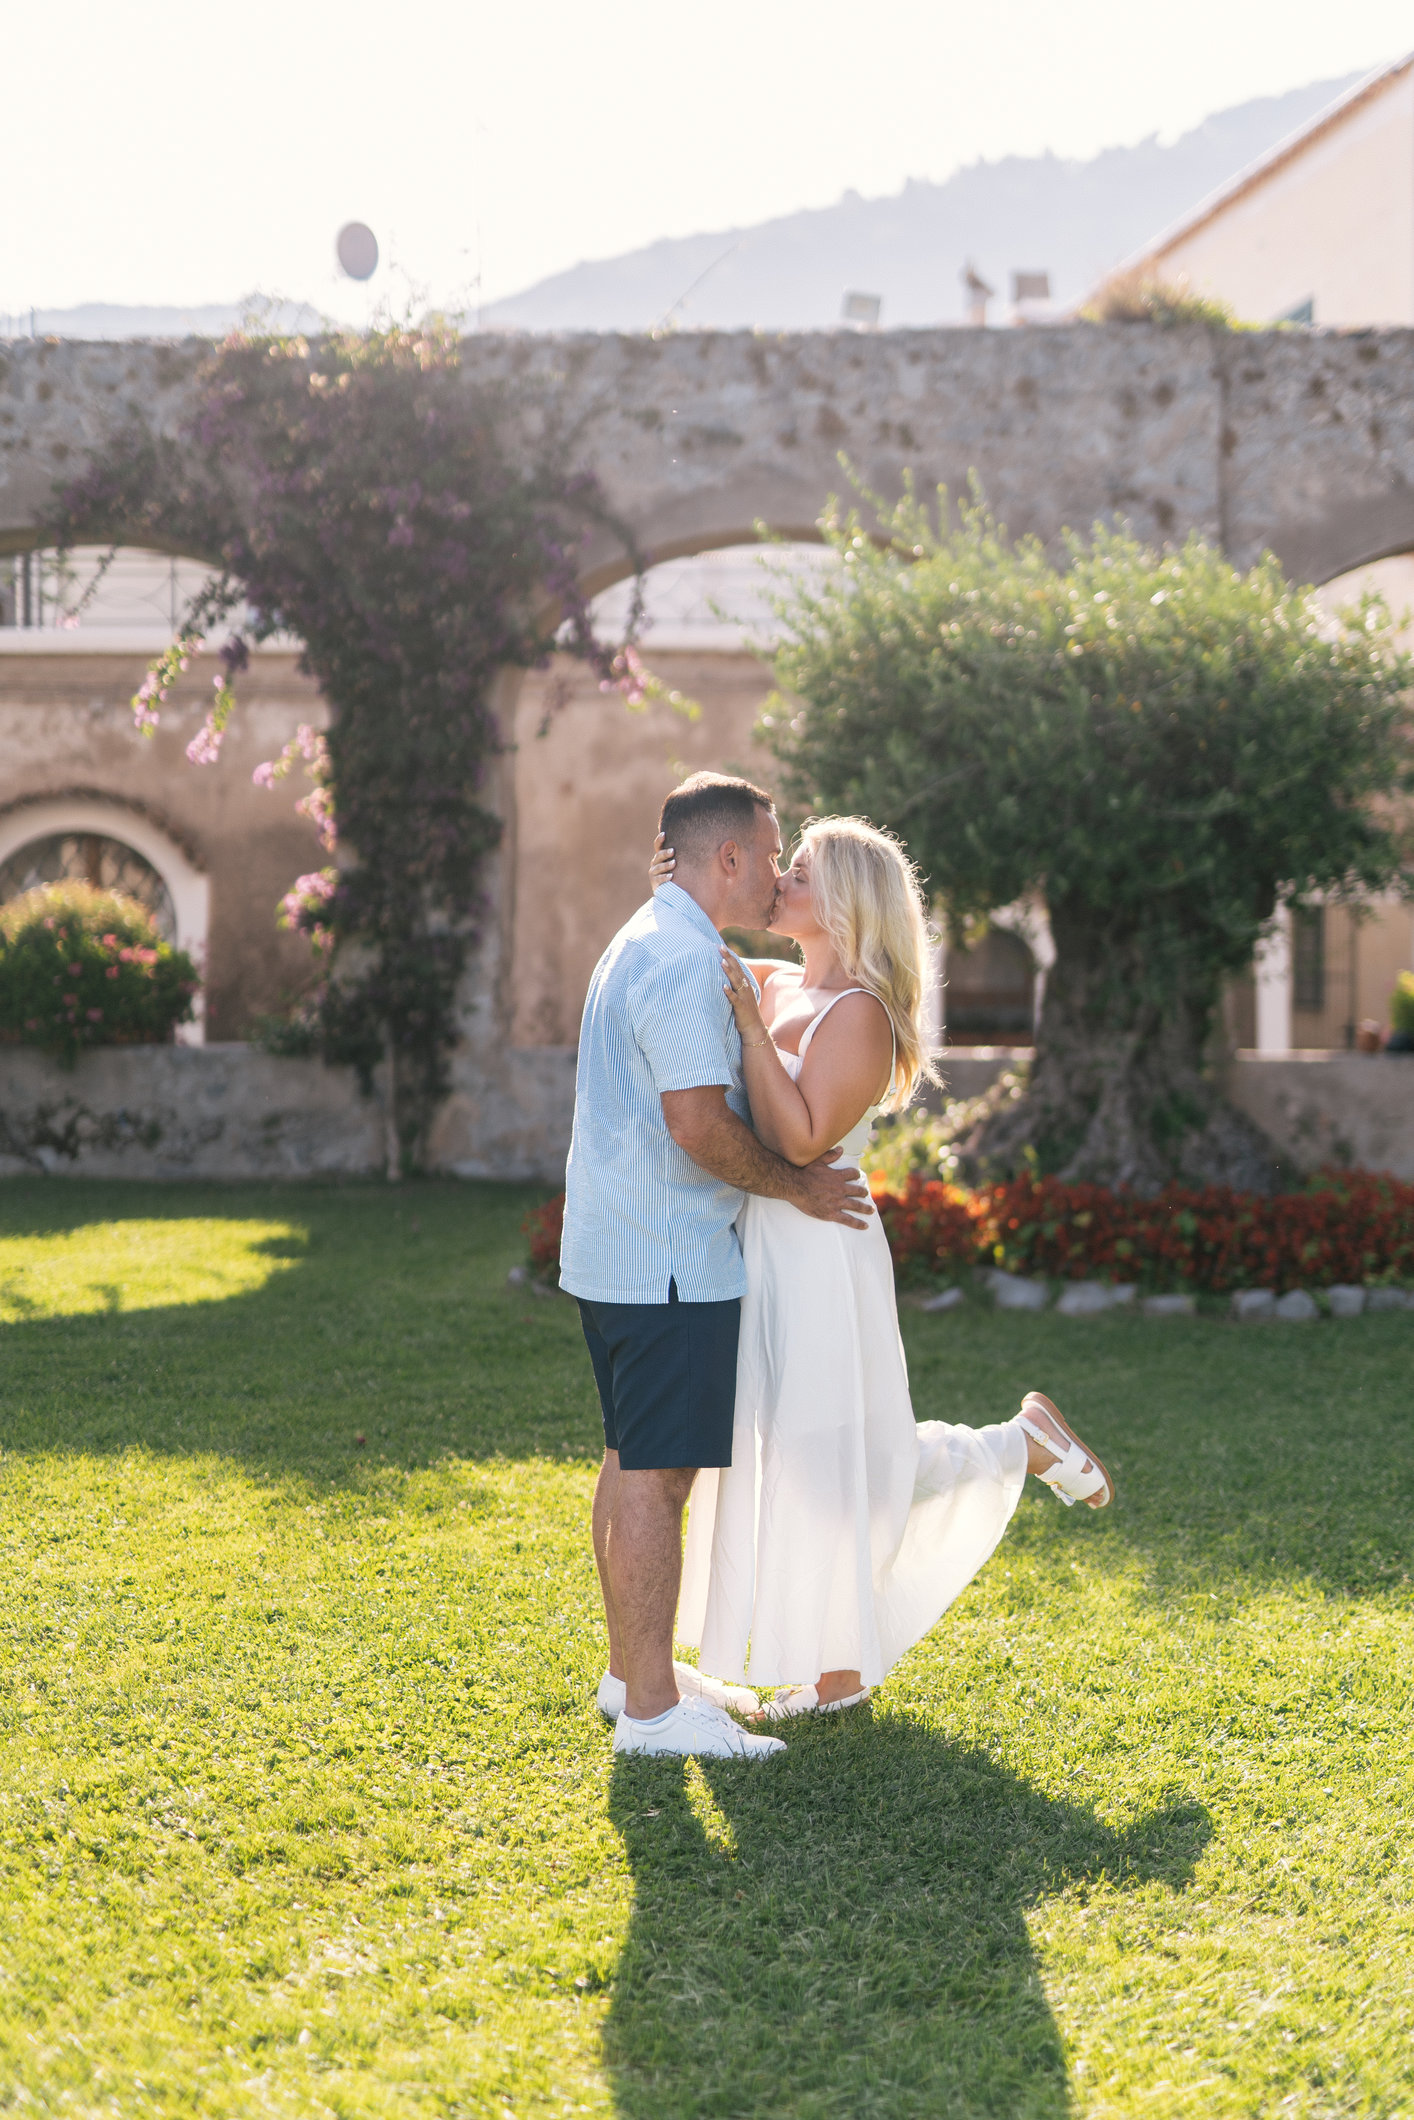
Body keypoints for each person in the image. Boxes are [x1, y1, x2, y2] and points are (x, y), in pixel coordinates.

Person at [647, 814, 1112, 1719]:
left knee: (834, 1450)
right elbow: (684, 936)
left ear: (849, 904)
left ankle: (845, 1667)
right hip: (761, 1240)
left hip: (820, 1246)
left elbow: (800, 1136)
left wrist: (746, 1024)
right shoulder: (775, 979)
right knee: (804, 1447)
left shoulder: (857, 1014)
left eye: (804, 872)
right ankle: (842, 1664)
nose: (780, 880)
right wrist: (668, 876)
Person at [559, 772, 874, 1761]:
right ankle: (654, 1713)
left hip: (616, 1253)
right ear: (729, 859)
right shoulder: (685, 961)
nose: (778, 872)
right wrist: (796, 1186)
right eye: (771, 853)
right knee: (657, 1481)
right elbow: (695, 1121)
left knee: (628, 1462)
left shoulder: (650, 937)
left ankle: (631, 1674)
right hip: (667, 1262)